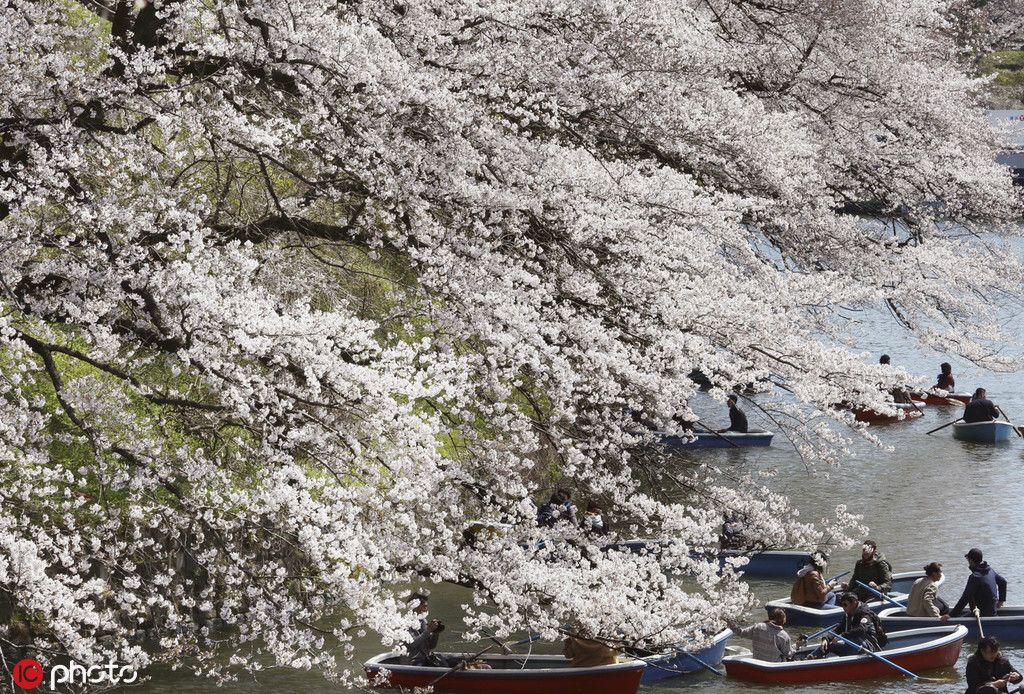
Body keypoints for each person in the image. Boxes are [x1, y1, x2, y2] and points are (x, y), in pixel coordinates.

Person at [808, 594, 881, 658]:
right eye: (842, 605)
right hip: (851, 647)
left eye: (845, 605)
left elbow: (861, 629)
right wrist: (826, 639)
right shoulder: (847, 615)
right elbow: (838, 629)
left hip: (868, 648)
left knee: (853, 639)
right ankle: (809, 658)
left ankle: (850, 663)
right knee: (828, 645)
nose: (843, 607)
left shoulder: (865, 615)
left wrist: (842, 635)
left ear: (854, 604)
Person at [945, 548, 1007, 619]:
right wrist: (1001, 600)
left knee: (957, 618)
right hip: (993, 612)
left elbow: (965, 598)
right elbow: (1003, 582)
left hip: (981, 615)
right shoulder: (990, 570)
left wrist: (951, 615)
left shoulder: (974, 577)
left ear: (971, 561)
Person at [400, 593, 450, 666]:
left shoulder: (423, 621)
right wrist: (428, 631)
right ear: (415, 607)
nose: (426, 609)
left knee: (449, 663)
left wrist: (435, 633)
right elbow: (413, 644)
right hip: (412, 662)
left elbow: (431, 646)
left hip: (425, 658)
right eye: (424, 607)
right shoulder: (404, 623)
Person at [730, 608, 796, 662]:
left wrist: (730, 622)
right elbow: (788, 654)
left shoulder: (758, 627)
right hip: (774, 666)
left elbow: (741, 633)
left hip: (757, 663)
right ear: (783, 620)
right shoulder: (784, 636)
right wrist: (796, 647)